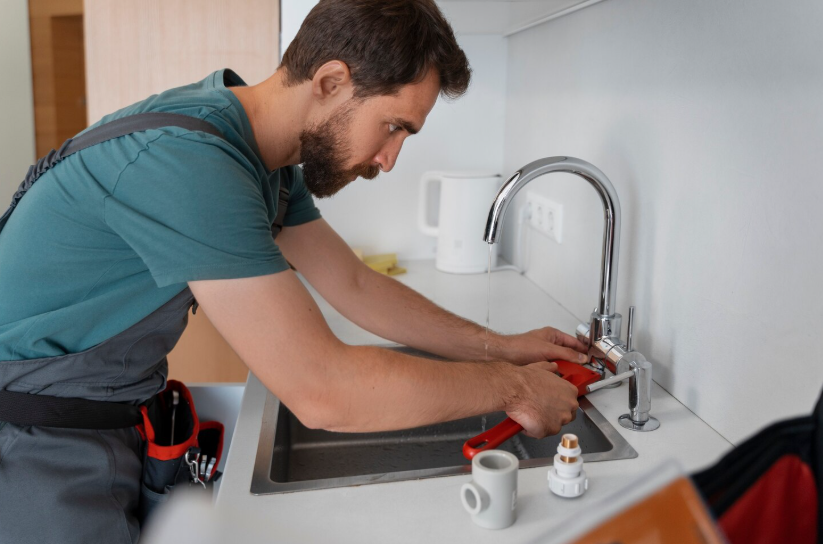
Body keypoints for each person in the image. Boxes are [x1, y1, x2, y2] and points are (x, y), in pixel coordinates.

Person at [0, 0, 584, 542]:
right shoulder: (191, 164)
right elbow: (322, 389)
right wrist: (513, 388)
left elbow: (356, 285)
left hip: (100, 420)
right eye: (394, 126)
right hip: (34, 442)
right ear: (330, 82)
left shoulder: (258, 159)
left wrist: (502, 348)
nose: (389, 159)